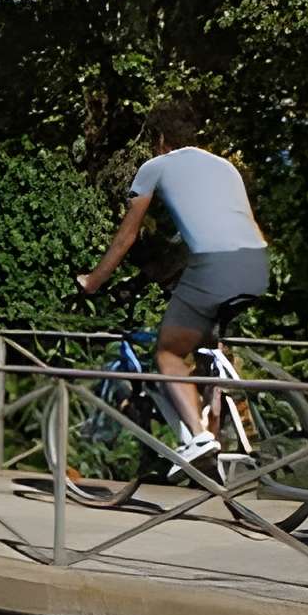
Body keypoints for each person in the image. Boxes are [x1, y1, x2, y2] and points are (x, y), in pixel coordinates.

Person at [76, 100, 270, 466]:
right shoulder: (226, 167)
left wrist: (93, 280)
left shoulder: (154, 167)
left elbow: (126, 238)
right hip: (256, 264)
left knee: (167, 353)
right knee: (206, 348)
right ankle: (216, 431)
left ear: (160, 138)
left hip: (215, 266)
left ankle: (198, 439)